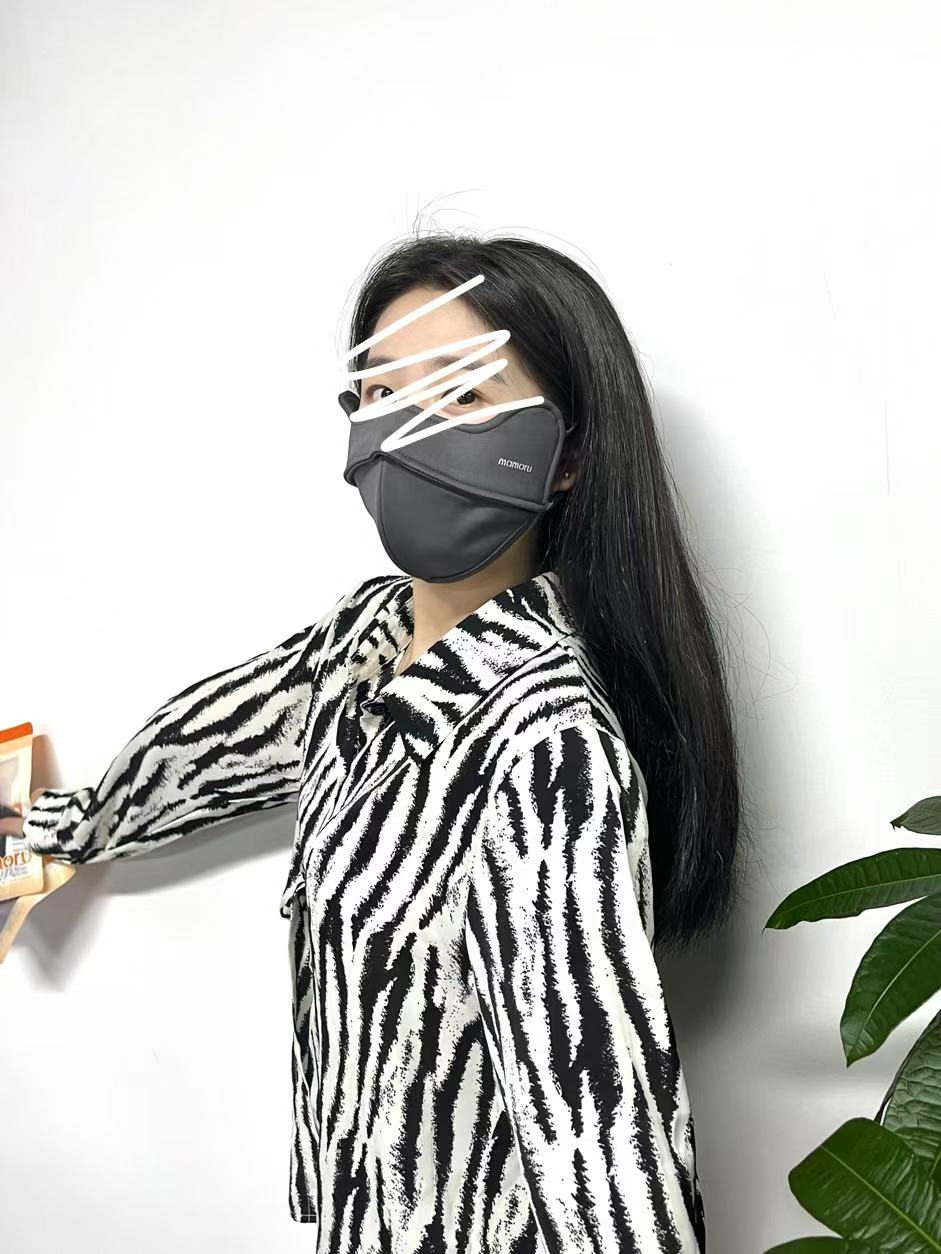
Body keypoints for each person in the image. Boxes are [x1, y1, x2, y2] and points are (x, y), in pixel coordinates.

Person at [12, 231, 749, 1253]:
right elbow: (212, 743)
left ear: (568, 455)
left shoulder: (545, 754)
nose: (406, 435)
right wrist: (63, 828)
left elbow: (600, 1134)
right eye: (382, 394)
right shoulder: (361, 644)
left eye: (460, 397)